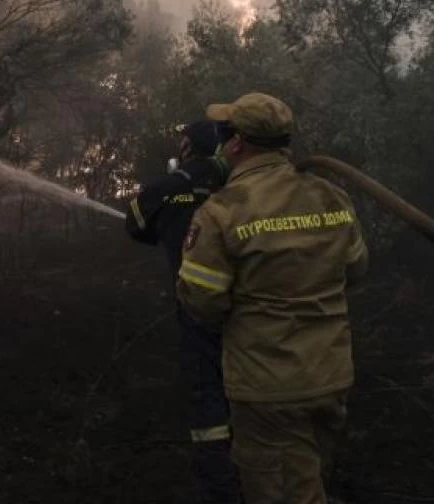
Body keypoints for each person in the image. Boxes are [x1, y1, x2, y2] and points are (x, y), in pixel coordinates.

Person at [176, 93, 369, 504]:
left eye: (226, 136)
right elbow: (355, 271)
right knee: (310, 478)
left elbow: (201, 301)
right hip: (331, 377)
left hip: (268, 389)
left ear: (238, 143)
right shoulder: (330, 196)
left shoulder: (223, 210)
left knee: (281, 491)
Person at [125, 120, 240, 503]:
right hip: (253, 309)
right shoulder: (245, 184)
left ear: (188, 145)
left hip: (197, 306)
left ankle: (221, 484)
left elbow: (137, 224)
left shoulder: (172, 188)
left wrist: (173, 210)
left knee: (207, 389)